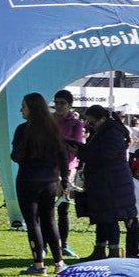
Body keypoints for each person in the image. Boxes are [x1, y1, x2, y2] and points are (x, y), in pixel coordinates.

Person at [11, 93, 69, 276]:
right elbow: (63, 157)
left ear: (32, 109)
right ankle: (59, 262)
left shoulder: (23, 129)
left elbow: (15, 156)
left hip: (28, 179)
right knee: (49, 220)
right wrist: (65, 180)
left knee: (33, 222)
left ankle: (38, 264)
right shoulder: (53, 129)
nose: (21, 109)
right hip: (49, 180)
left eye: (24, 106)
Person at [78, 106, 139, 259]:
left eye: (92, 123)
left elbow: (105, 156)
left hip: (113, 183)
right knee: (102, 218)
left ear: (103, 119)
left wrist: (82, 152)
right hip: (106, 181)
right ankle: (99, 249)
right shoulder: (104, 131)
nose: (90, 126)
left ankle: (113, 251)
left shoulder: (112, 132)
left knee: (111, 218)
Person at [51, 91, 86, 255]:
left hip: (68, 168)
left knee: (63, 207)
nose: (58, 106)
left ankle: (63, 244)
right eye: (56, 102)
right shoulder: (49, 120)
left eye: (62, 103)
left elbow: (76, 147)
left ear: (70, 105)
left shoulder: (76, 124)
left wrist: (60, 142)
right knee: (46, 207)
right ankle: (46, 243)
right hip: (49, 166)